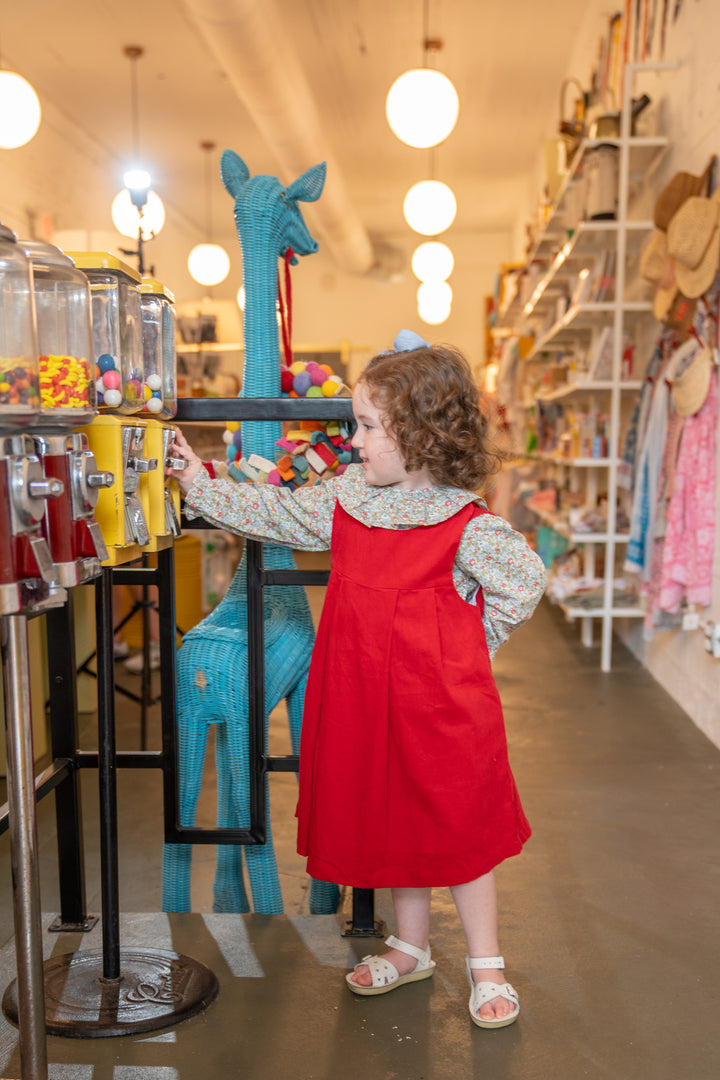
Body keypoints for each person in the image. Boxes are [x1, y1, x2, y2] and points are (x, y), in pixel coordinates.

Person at [166, 335, 546, 1030]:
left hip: (442, 707)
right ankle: (409, 947)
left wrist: (464, 648)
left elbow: (523, 582)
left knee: (456, 822)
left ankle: (486, 961)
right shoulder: (345, 499)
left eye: (369, 427)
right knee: (389, 816)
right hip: (364, 698)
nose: (356, 440)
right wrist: (198, 484)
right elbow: (275, 513)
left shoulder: (466, 523)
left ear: (422, 436)